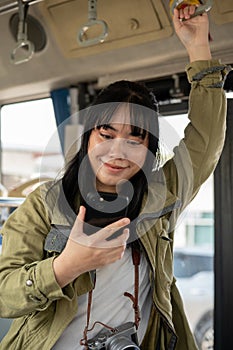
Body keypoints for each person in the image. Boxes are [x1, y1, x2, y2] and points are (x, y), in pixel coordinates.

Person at [0, 6, 231, 350]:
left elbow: (206, 139)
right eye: (106, 135)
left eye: (135, 139)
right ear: (88, 138)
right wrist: (65, 267)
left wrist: (198, 48)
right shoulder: (44, 204)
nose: (117, 151)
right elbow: (4, 295)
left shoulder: (163, 194)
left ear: (149, 148)